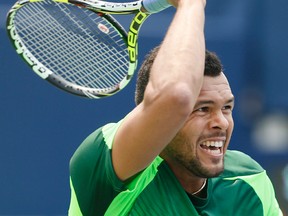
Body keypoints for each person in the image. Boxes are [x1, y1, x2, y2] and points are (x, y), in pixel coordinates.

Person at [68, 0, 282, 215]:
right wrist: (191, 5)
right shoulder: (105, 158)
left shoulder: (248, 181)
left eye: (226, 107)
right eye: (202, 109)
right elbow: (175, 97)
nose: (221, 122)